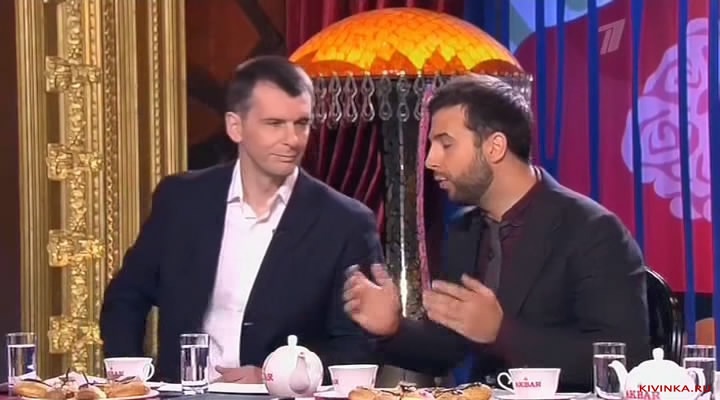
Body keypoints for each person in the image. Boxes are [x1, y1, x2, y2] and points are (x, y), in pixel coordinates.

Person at [343, 74, 650, 392]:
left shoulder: (592, 231)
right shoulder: (464, 229)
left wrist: (501, 333)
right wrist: (393, 328)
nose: (431, 160)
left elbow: (624, 356)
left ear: (495, 147)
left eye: (446, 144)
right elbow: (447, 348)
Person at [100, 55, 383, 384]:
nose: (292, 140)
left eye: (302, 123)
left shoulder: (345, 223)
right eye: (274, 124)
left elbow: (356, 347)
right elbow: (125, 298)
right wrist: (129, 382)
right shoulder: (181, 200)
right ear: (235, 127)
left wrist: (275, 377)